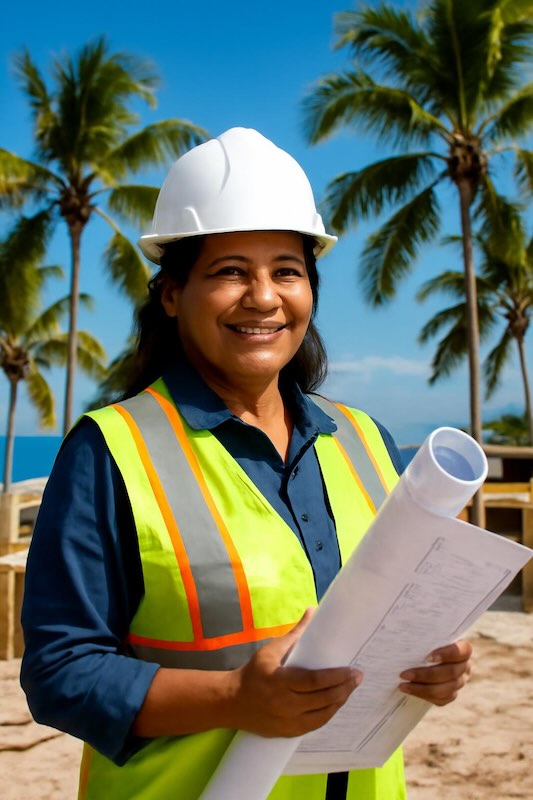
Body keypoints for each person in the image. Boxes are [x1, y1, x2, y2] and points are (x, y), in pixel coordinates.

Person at [20, 127, 472, 800]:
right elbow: (60, 674)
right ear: (171, 293)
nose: (263, 297)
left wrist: (436, 662)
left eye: (285, 271)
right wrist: (234, 697)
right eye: (231, 270)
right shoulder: (110, 450)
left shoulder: (364, 440)